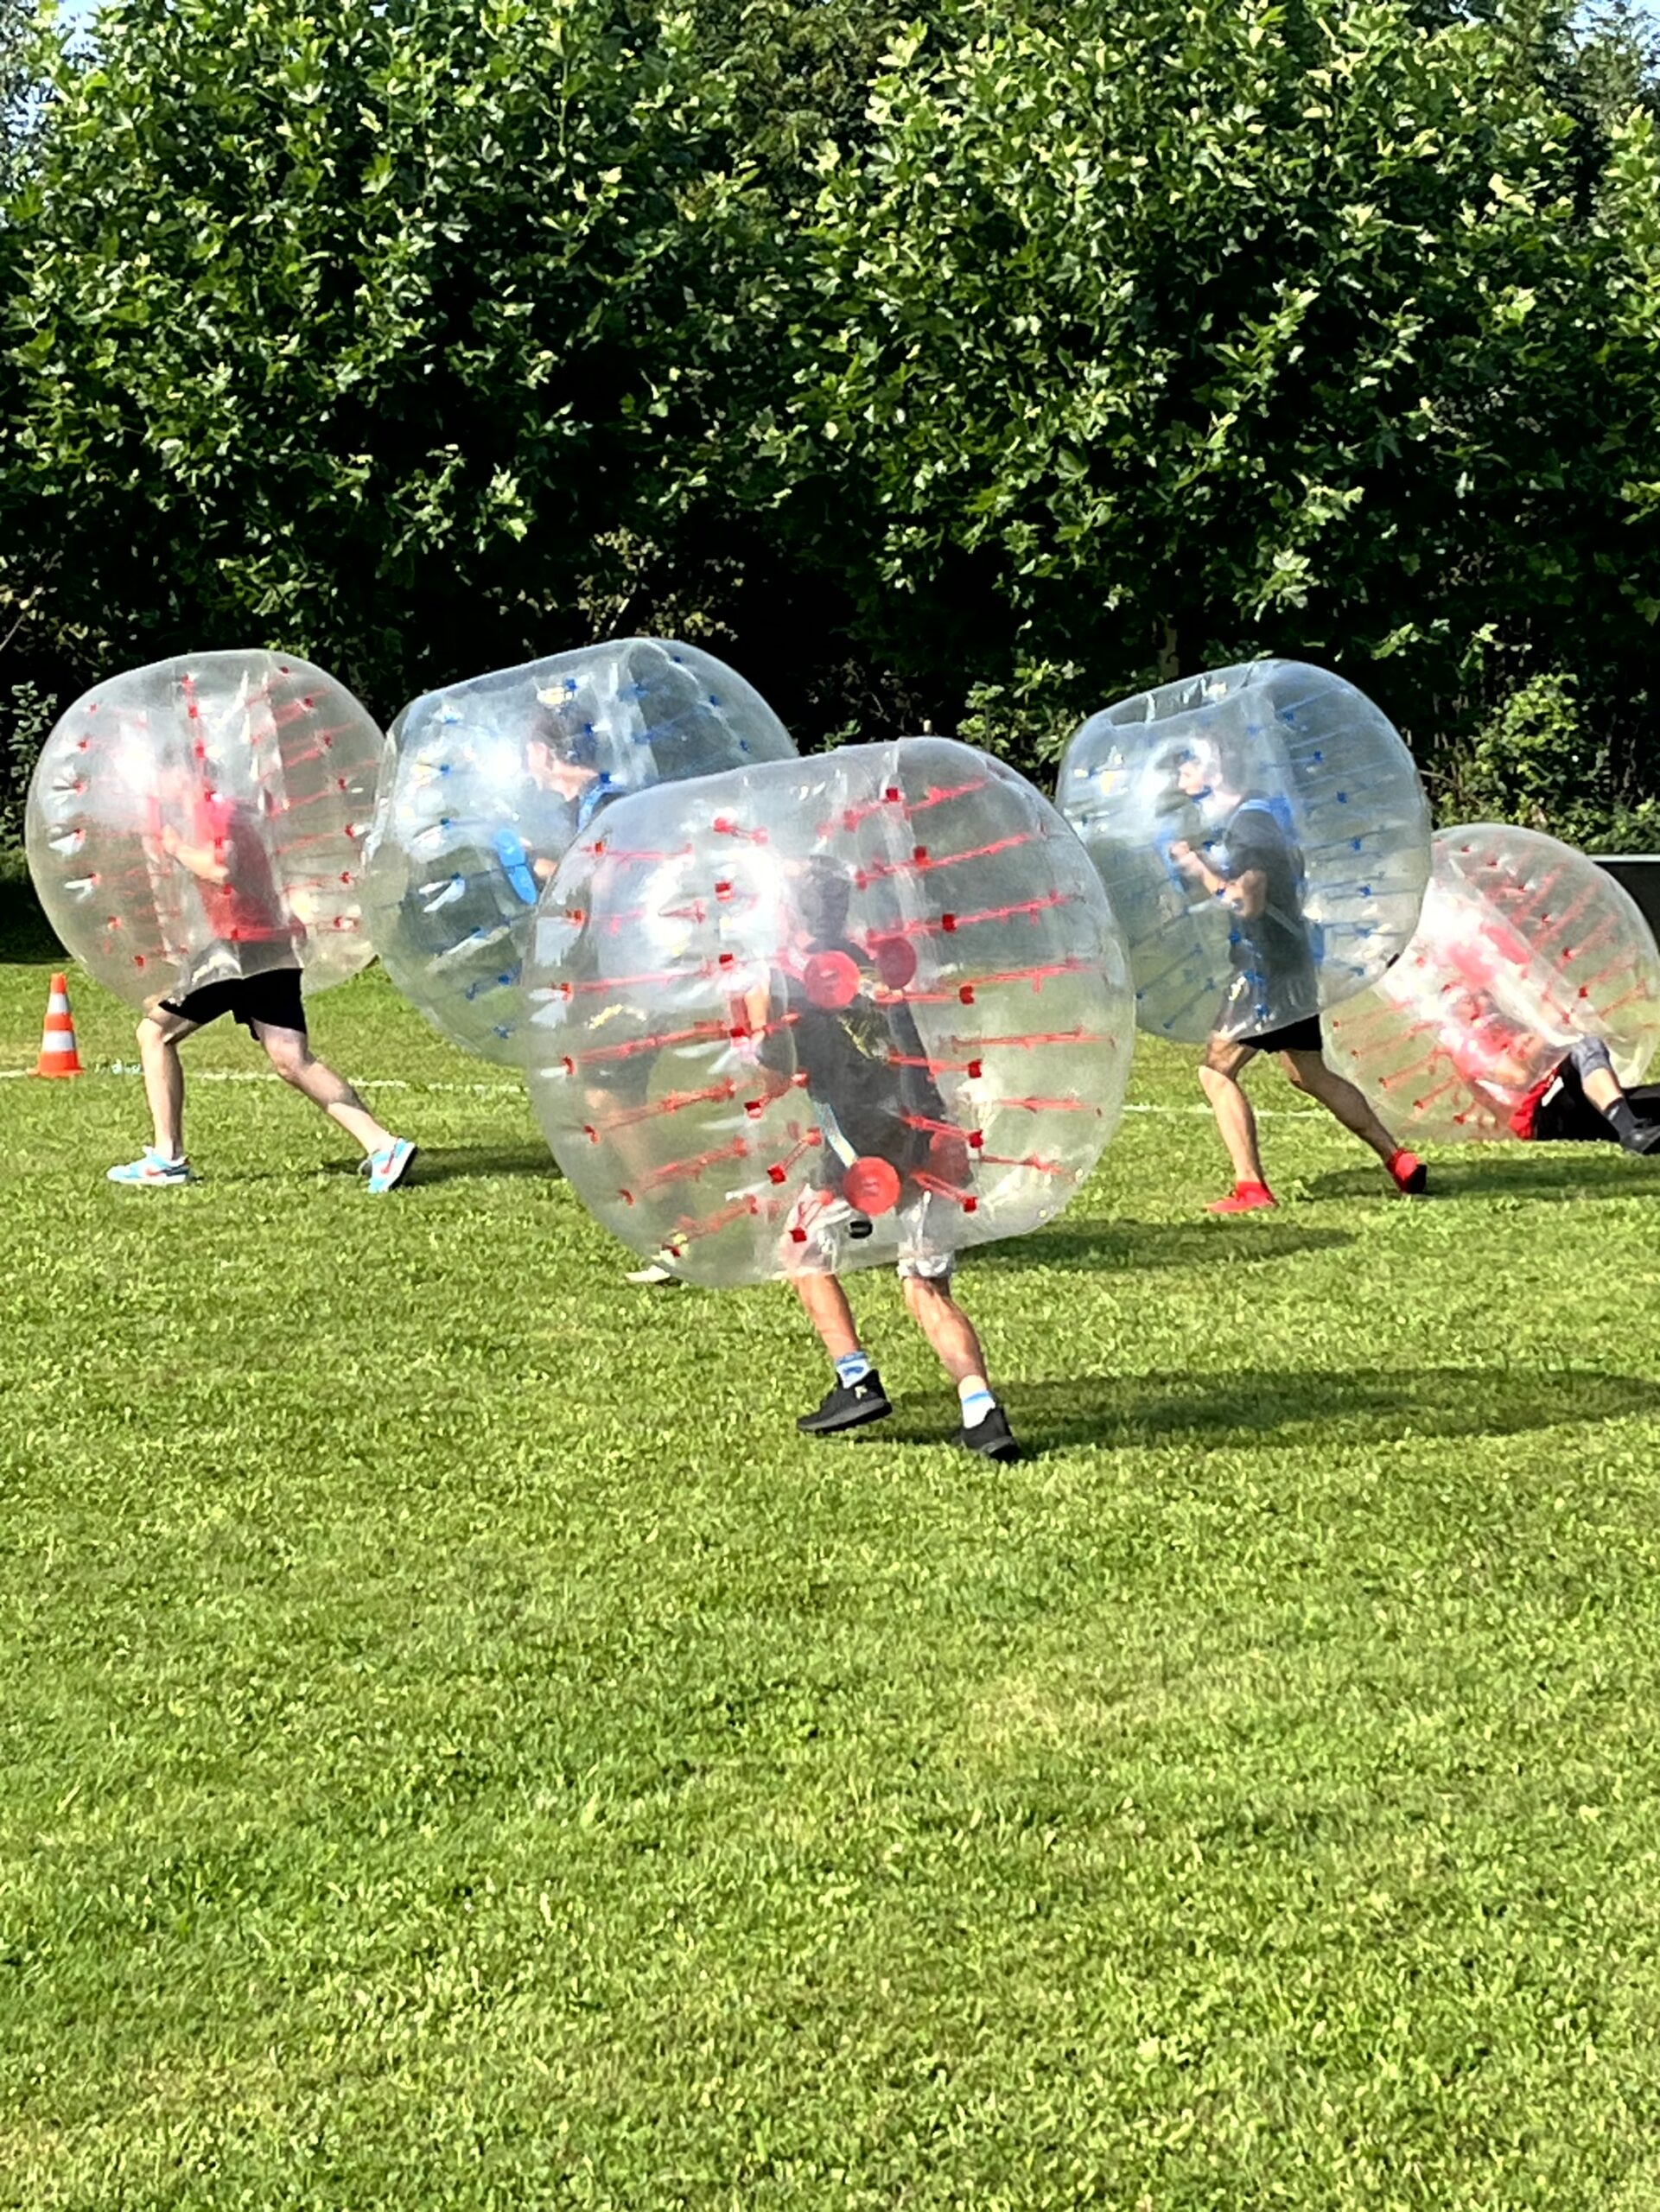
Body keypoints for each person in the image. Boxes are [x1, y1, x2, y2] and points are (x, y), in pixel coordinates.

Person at [773, 863, 1020, 1462]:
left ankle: (855, 1376)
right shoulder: (884, 967)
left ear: (792, 914)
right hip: (929, 1138)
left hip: (854, 1153)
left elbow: (775, 1068)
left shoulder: (793, 983)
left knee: (799, 1251)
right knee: (926, 1289)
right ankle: (981, 1412)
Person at [108, 774, 416, 1192]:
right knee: (291, 1059)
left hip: (239, 949)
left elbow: (222, 868)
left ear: (183, 770)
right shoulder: (231, 810)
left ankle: (168, 1158)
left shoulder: (219, 812)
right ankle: (383, 1146)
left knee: (155, 1034)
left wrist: (176, 848)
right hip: (267, 941)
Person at [1166, 738, 1427, 1213]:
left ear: (1214, 770)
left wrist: (1196, 868)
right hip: (1291, 962)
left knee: (1215, 1070)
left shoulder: (1250, 827)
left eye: (1186, 768)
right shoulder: (1260, 819)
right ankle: (1399, 1159)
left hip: (1266, 972)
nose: (1179, 778)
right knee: (1307, 1073)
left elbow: (1247, 901)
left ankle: (1251, 1188)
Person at [1510, 1036, 1660, 1150]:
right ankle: (1630, 1128)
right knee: (1586, 1046)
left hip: (1586, 1105)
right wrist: (1540, 1038)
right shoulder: (1489, 1034)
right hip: (1544, 1113)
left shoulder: (1517, 1013)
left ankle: (1630, 1123)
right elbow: (1517, 1076)